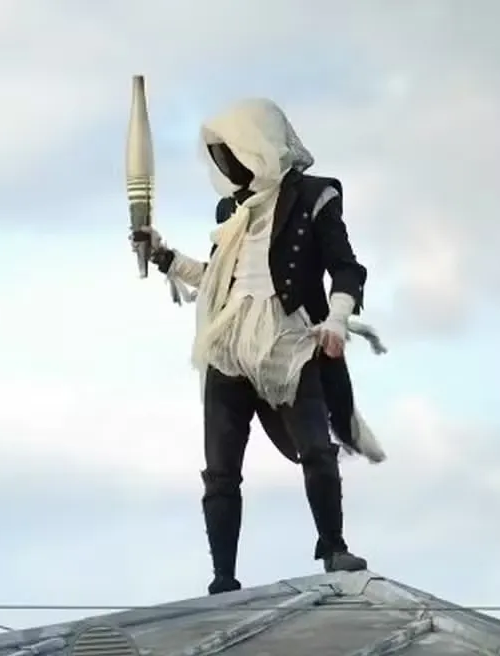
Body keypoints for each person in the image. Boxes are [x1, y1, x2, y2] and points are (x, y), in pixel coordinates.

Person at [131, 98, 386, 595]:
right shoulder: (231, 210)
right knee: (221, 468)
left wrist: (335, 320)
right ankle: (223, 577)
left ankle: (333, 546)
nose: (228, 164)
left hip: (288, 341)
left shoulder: (316, 195)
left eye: (234, 151)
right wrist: (164, 255)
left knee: (317, 447)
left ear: (259, 146)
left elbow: (347, 267)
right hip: (229, 343)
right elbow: (216, 281)